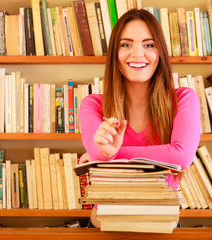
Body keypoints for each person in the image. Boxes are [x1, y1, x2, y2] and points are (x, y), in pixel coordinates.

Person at [79, 9, 201, 228]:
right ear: (115, 54)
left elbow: (182, 157)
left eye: (149, 44)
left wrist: (116, 153)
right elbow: (99, 154)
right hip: (105, 226)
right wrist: (101, 155)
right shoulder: (93, 104)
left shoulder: (184, 98)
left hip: (162, 223)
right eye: (126, 44)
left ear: (160, 52)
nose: (137, 54)